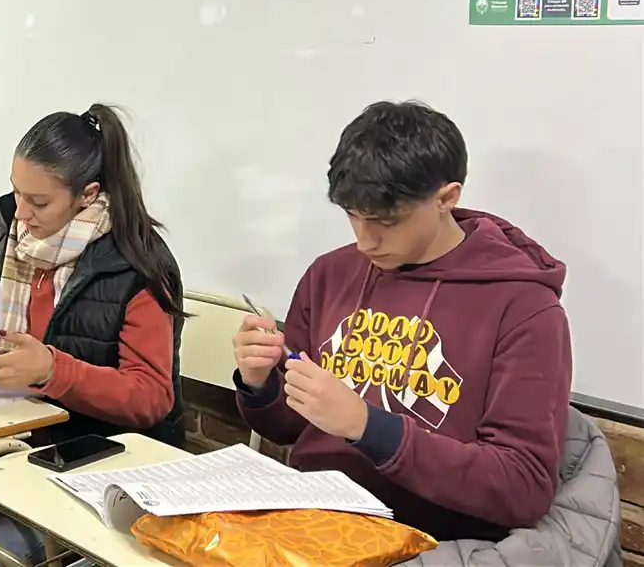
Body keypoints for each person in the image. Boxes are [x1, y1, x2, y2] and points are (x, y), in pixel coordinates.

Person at [232, 100, 572, 543]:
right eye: (353, 216)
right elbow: (286, 427)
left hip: (433, 543)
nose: (365, 240)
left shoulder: (524, 306)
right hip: (315, 525)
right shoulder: (330, 274)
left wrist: (366, 426)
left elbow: (521, 488)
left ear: (447, 198)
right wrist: (260, 385)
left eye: (385, 222)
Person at [0, 104, 187, 567]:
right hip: (10, 440)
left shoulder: (135, 264)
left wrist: (54, 370)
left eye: (39, 202)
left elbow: (153, 398)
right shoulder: (2, 234)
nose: (22, 214)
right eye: (17, 194)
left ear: (87, 194)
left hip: (99, 460)